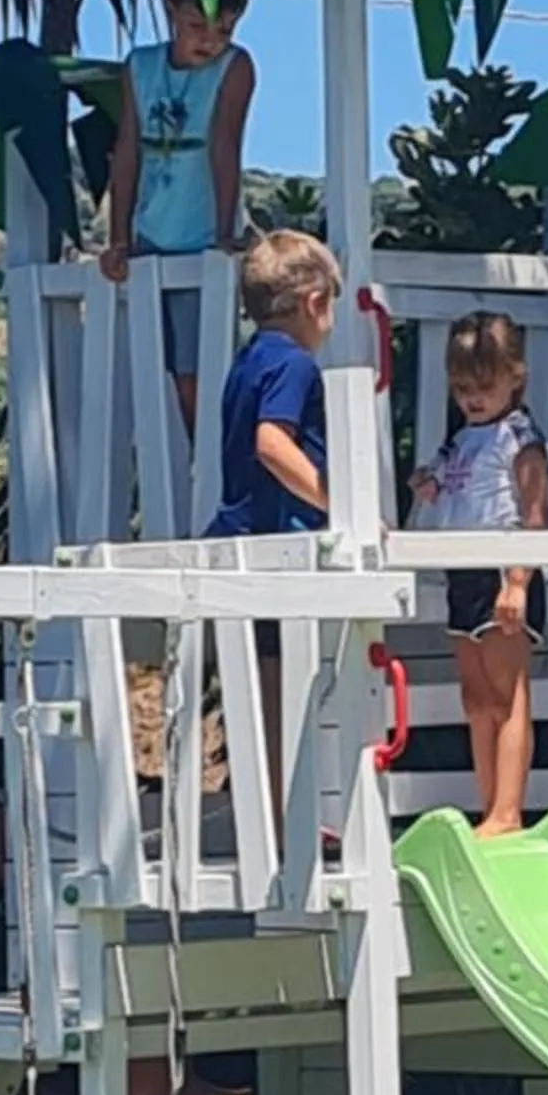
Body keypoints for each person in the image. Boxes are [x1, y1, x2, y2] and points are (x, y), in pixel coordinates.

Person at [206, 229, 339, 824]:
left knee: (259, 697)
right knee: (285, 695)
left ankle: (271, 823)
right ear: (314, 301)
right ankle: (287, 830)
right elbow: (271, 443)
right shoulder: (296, 366)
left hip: (239, 540)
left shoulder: (247, 361)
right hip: (278, 549)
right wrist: (336, 501)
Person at [411, 310, 548, 838]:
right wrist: (428, 484)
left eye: (484, 387)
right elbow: (452, 486)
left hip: (502, 570)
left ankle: (508, 811)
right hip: (463, 571)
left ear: (515, 377)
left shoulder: (520, 436)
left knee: (507, 690)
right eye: (462, 388)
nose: (472, 398)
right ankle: (488, 803)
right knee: (476, 698)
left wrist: (518, 581)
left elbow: (535, 512)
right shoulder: (461, 439)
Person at [103, 0, 256, 426]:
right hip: (149, 238)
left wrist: (223, 232)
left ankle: (209, 452)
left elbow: (224, 146)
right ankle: (191, 456)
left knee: (197, 373)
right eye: (196, 25)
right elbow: (127, 152)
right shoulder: (140, 67)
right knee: (155, 369)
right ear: (171, 10)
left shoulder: (235, 68)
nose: (210, 41)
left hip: (201, 239)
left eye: (224, 29)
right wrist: (118, 239)